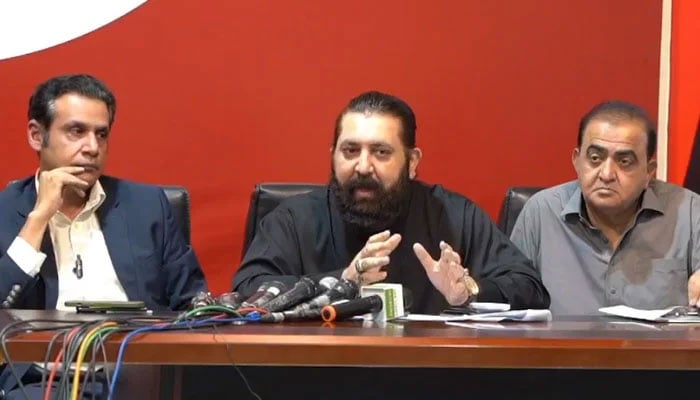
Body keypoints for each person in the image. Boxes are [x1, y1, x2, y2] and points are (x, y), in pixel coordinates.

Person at [233, 91, 549, 314]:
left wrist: (469, 290)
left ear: (412, 162)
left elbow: (530, 289)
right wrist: (343, 280)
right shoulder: (293, 218)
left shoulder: (453, 215)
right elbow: (249, 288)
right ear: (333, 154)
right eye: (350, 150)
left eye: (381, 152)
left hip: (431, 378)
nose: (363, 166)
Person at [0, 74, 207, 398]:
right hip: (40, 382)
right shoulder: (5, 211)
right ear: (37, 135)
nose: (92, 148)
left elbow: (193, 303)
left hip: (137, 377)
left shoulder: (147, 206)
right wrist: (39, 218)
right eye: (76, 131)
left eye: (102, 134)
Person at [510, 100, 700, 315]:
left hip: (658, 349)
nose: (607, 174)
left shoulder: (690, 212)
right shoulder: (540, 212)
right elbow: (512, 301)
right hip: (564, 348)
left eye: (624, 161)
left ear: (649, 171)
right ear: (577, 161)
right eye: (595, 158)